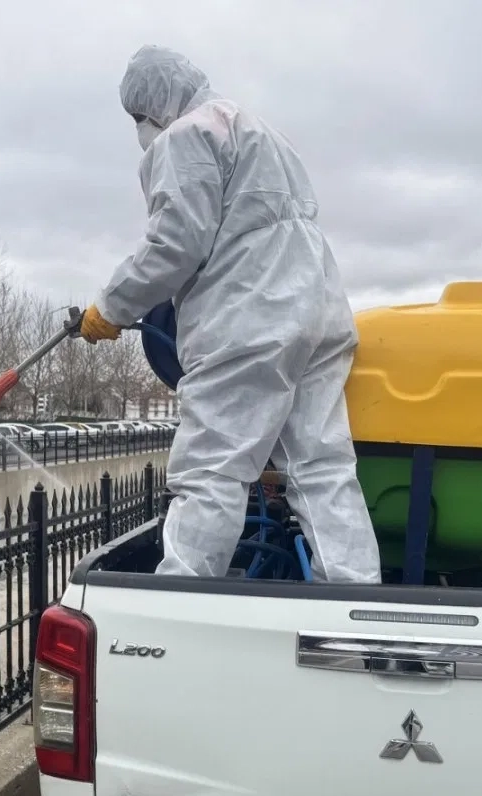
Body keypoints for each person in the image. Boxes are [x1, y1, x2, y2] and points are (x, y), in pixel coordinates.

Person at [79, 45, 381, 583]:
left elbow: (176, 242)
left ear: (154, 103)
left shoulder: (187, 134)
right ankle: (356, 599)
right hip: (318, 311)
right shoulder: (260, 131)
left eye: (139, 117)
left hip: (251, 316)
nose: (141, 129)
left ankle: (180, 599)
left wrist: (111, 306)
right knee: (323, 467)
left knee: (210, 470)